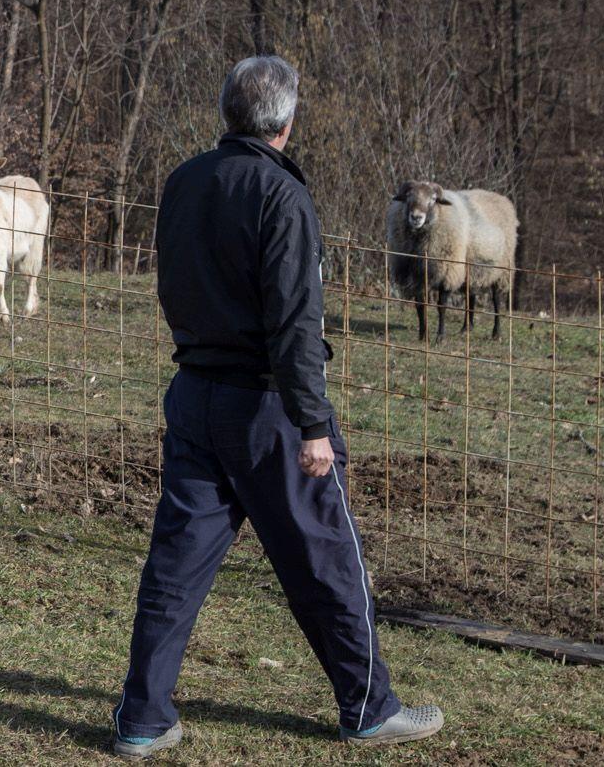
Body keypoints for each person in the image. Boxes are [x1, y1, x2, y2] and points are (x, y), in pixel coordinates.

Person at [110, 55, 442, 757]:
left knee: (176, 561)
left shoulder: (184, 180)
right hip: (267, 407)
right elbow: (297, 321)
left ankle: (141, 716)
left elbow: (172, 283)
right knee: (326, 556)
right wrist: (314, 424)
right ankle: (368, 706)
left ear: (227, 113)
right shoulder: (280, 194)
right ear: (286, 122)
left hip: (195, 394)